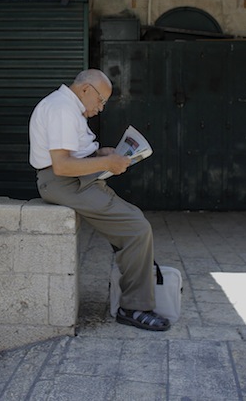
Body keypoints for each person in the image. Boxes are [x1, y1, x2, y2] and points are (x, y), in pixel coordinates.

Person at [28, 69, 170, 331]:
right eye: (101, 100)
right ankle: (134, 308)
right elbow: (61, 166)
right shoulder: (61, 109)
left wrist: (101, 153)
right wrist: (106, 162)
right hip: (65, 183)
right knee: (136, 229)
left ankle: (131, 275)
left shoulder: (65, 106)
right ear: (85, 90)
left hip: (74, 181)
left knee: (133, 225)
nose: (101, 108)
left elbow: (72, 154)